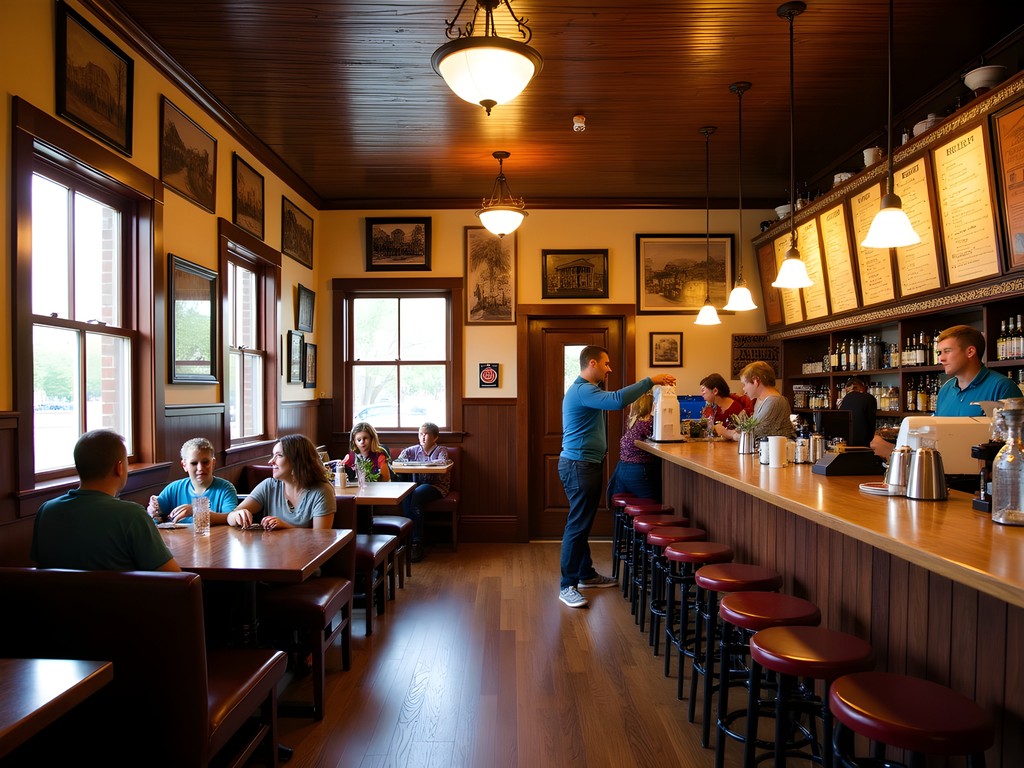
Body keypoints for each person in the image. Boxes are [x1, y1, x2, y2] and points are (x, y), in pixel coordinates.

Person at [558, 345, 676, 609]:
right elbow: (618, 401)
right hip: (579, 466)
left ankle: (585, 574)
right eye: (606, 364)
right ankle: (567, 585)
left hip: (583, 464)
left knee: (581, 523)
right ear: (592, 363)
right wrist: (650, 381)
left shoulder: (587, 390)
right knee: (577, 525)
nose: (609, 368)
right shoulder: (583, 390)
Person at [31, 430, 180, 571]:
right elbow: (175, 578)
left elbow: (40, 565)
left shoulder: (46, 510)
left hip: (54, 598)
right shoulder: (131, 515)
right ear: (119, 468)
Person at [230, 434, 336, 529]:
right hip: (272, 549)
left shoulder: (322, 491)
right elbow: (230, 517)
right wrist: (238, 515)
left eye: (279, 455)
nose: (271, 461)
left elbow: (321, 538)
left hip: (307, 551)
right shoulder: (269, 486)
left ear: (297, 461)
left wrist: (285, 527)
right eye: (273, 455)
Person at [147, 437, 239, 525]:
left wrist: (196, 510)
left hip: (215, 539)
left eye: (205, 462)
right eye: (194, 463)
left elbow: (230, 517)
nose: (200, 468)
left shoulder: (226, 489)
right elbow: (155, 516)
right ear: (184, 465)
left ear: (213, 463)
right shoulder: (174, 489)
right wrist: (153, 511)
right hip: (180, 540)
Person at [935, 325, 1022, 416]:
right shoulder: (945, 389)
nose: (941, 358)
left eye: (947, 351)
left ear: (970, 352)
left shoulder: (1002, 387)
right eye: (940, 353)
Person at [396, 422, 450, 563]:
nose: (423, 437)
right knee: (407, 493)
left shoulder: (441, 450)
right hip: (416, 485)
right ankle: (409, 538)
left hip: (436, 486)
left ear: (435, 437)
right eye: (420, 434)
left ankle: (417, 542)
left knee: (418, 493)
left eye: (426, 434)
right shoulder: (411, 450)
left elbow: (442, 463)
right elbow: (398, 462)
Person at [714, 360, 795, 441]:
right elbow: (748, 430)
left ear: (755, 381)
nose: (744, 390)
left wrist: (726, 433)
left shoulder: (775, 402)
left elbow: (753, 436)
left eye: (744, 384)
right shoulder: (763, 401)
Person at [605, 391, 661, 505]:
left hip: (622, 470)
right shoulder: (649, 422)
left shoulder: (634, 421)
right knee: (655, 503)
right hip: (637, 471)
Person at [838, 377, 877, 447]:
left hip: (845, 444)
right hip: (863, 445)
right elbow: (871, 423)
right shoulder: (869, 398)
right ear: (858, 386)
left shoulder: (844, 400)